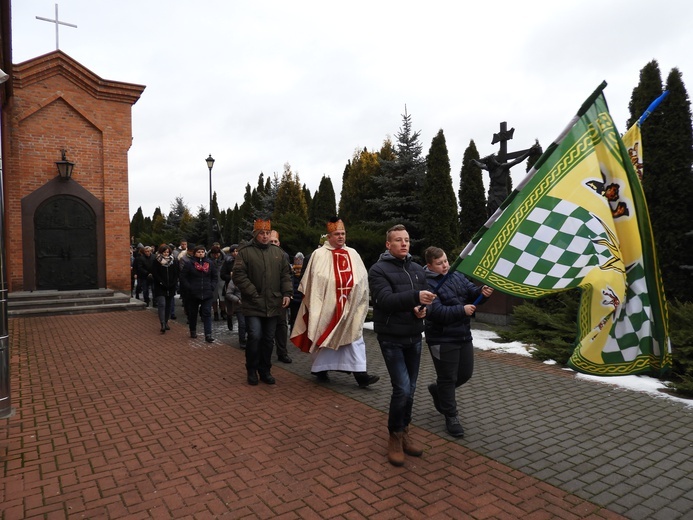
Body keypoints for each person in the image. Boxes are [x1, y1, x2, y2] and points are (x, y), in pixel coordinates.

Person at [368, 224, 436, 467]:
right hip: (391, 338)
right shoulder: (378, 270)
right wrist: (415, 298)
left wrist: (422, 310)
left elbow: (423, 301)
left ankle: (405, 431)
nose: (404, 244)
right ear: (388, 244)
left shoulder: (418, 269)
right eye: (398, 240)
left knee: (412, 387)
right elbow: (384, 300)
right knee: (403, 388)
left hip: (414, 335)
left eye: (406, 240)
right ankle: (394, 436)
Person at [291, 218, 379, 388]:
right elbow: (313, 281)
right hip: (327, 306)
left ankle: (361, 375)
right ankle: (320, 369)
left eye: (343, 234)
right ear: (328, 237)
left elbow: (362, 278)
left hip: (350, 306)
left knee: (354, 338)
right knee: (323, 338)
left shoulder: (353, 253)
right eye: (337, 234)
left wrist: (356, 297)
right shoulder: (319, 255)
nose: (340, 237)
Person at [423, 246, 493, 437]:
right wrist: (461, 310)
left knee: (464, 374)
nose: (445, 265)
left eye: (446, 261)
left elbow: (471, 292)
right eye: (439, 263)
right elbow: (435, 312)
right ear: (430, 265)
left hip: (463, 334)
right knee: (448, 378)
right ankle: (451, 416)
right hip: (441, 337)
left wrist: (482, 292)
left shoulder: (456, 274)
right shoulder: (425, 283)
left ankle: (437, 390)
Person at [232, 219, 292, 386]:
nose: (265, 236)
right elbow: (238, 275)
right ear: (255, 235)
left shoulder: (277, 253)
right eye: (262, 234)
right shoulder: (246, 252)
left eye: (267, 233)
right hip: (253, 303)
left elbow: (285, 275)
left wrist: (287, 293)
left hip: (273, 304)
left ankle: (265, 370)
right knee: (255, 336)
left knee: (268, 339)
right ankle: (251, 369)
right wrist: (252, 292)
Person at [180, 244, 217, 343]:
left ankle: (208, 334)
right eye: (199, 252)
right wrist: (189, 287)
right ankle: (193, 330)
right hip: (193, 293)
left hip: (207, 292)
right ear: (195, 253)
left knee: (207, 313)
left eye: (202, 252)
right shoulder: (189, 264)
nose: (201, 254)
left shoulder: (210, 263)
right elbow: (183, 277)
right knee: (193, 313)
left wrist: (211, 286)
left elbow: (214, 277)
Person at [269, 230, 292, 364]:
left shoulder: (284, 256)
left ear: (279, 242)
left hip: (280, 297)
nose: (273, 243)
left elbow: (286, 276)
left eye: (275, 241)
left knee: (282, 325)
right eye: (271, 241)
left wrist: (288, 294)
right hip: (264, 297)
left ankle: (282, 352)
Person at [151, 244, 180, 334]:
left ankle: (166, 321)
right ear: (161, 252)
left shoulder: (174, 261)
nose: (166, 254)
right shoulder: (157, 261)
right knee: (162, 304)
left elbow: (177, 272)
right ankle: (162, 323)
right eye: (164, 252)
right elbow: (155, 273)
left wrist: (173, 282)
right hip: (160, 286)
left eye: (167, 252)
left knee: (168, 304)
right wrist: (161, 282)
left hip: (170, 286)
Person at [221, 244, 246, 344]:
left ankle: (243, 336)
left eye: (237, 251)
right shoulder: (227, 262)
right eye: (233, 251)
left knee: (242, 318)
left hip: (240, 288)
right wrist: (230, 277)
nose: (235, 253)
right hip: (230, 286)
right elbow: (222, 274)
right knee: (230, 309)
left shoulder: (243, 261)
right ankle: (229, 319)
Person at [208, 245, 226, 321]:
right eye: (214, 254)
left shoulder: (224, 260)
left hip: (222, 280)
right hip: (212, 280)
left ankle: (223, 311)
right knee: (214, 298)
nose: (216, 256)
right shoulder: (208, 261)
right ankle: (215, 312)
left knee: (222, 298)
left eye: (217, 254)